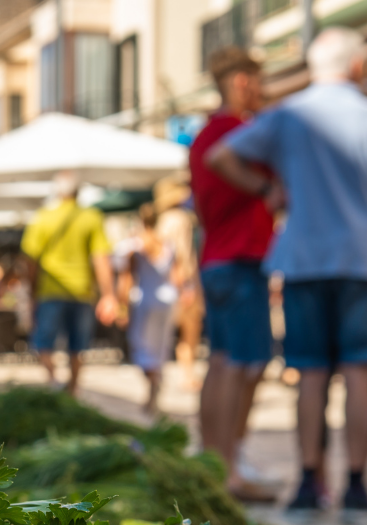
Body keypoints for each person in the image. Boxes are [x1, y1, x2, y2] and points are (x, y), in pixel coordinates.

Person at [207, 27, 367, 515]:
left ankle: (308, 480)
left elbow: (220, 156)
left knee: (311, 371)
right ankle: (357, 483)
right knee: (361, 372)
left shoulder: (287, 115)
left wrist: (265, 191)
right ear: (357, 66)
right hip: (363, 258)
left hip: (303, 259)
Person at [189, 46, 277, 501]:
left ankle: (213, 460)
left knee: (222, 360)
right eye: (259, 82)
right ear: (242, 82)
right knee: (244, 363)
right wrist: (266, 187)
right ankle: (229, 469)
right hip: (241, 258)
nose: (264, 92)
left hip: (217, 258)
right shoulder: (237, 134)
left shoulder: (205, 133)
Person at [20, 171, 118, 394]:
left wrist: (32, 290)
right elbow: (101, 259)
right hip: (82, 291)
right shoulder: (91, 217)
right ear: (77, 191)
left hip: (49, 291)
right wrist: (108, 294)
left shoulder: (43, 217)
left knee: (43, 342)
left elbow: (30, 261)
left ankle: (54, 382)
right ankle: (72, 389)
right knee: (78, 345)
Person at [115, 203, 180, 414]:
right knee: (160, 347)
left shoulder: (135, 247)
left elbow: (126, 279)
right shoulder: (167, 244)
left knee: (142, 346)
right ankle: (155, 384)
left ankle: (152, 385)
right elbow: (177, 276)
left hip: (145, 301)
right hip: (167, 300)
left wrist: (122, 306)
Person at [153, 179, 202, 391]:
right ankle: (187, 375)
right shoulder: (181, 219)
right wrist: (187, 286)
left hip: (164, 282)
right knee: (189, 332)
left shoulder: (161, 221)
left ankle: (160, 379)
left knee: (166, 334)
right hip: (183, 282)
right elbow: (182, 256)